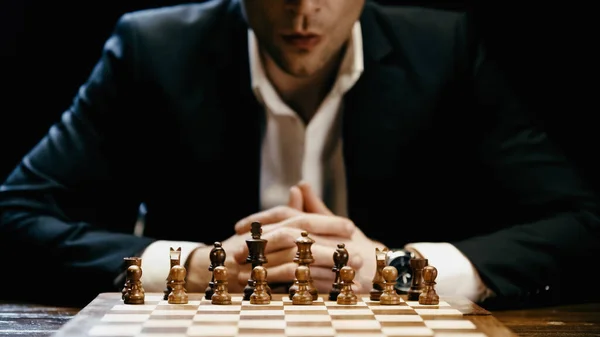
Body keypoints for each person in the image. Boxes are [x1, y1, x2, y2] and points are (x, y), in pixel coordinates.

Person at [0, 0, 598, 309]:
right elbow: (13, 214)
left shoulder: (445, 49)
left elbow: (582, 223)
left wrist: (401, 269)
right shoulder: (152, 48)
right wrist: (190, 266)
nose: (302, 10)